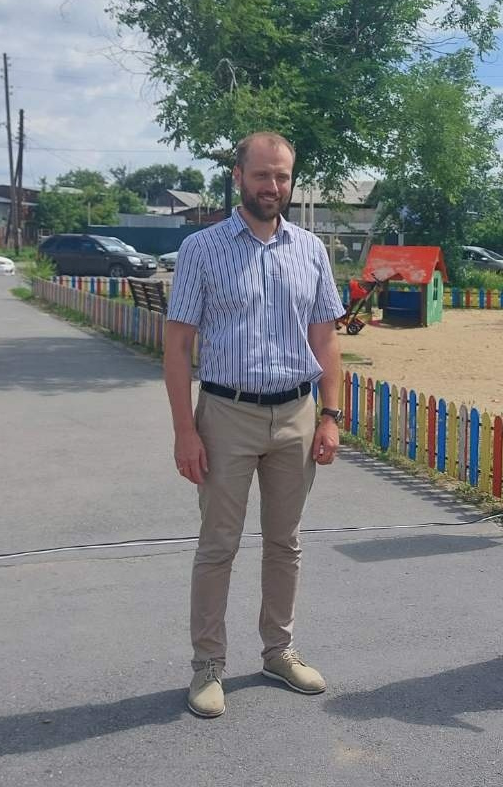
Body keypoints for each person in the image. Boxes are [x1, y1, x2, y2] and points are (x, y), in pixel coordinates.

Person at [164, 131, 346, 719]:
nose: (273, 186)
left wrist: (330, 416)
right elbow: (177, 347)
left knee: (285, 543)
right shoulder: (201, 249)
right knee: (218, 545)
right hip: (226, 415)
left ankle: (278, 651)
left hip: (296, 415)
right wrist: (184, 431)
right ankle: (207, 665)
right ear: (238, 176)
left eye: (283, 176)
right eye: (263, 174)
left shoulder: (310, 249)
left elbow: (325, 338)